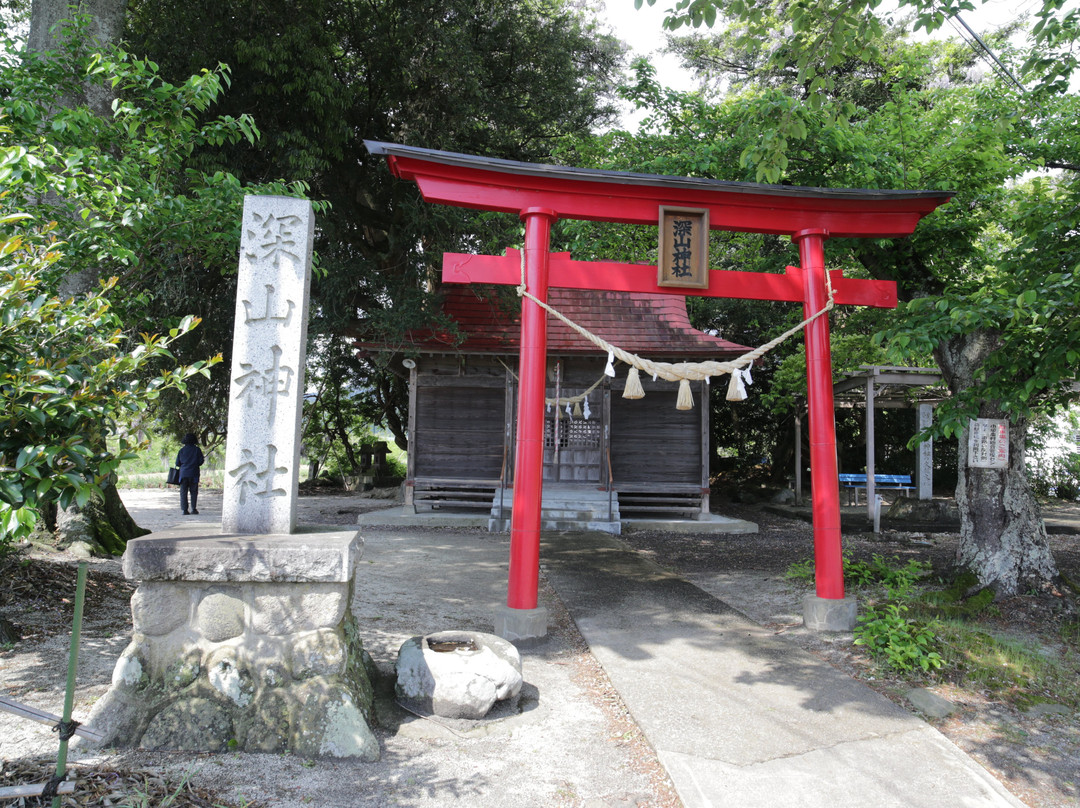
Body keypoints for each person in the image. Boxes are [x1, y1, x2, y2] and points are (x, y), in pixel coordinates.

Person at [175, 433, 205, 515]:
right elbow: (201, 461)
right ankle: (194, 509)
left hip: (183, 474)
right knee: (194, 492)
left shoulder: (181, 451)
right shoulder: (197, 450)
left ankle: (184, 510)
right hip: (194, 473)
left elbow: (177, 463)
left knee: (183, 492)